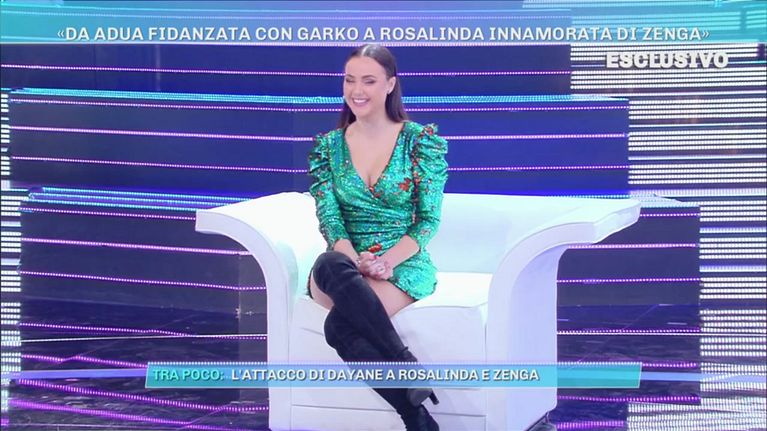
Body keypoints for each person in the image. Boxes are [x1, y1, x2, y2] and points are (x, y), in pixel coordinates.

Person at [306, 44, 448, 431]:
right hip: (344, 266)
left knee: (338, 328)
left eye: (368, 81)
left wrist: (386, 262)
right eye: (350, 80)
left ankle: (416, 418)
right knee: (328, 263)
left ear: (390, 85)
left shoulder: (419, 142)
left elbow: (427, 221)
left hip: (400, 263)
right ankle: (405, 364)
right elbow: (330, 220)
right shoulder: (328, 147)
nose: (357, 90)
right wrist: (356, 260)